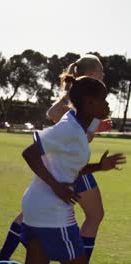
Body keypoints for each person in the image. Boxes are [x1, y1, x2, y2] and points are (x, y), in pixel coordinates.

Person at [0, 54, 111, 263]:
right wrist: (57, 186)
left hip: (53, 187)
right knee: (94, 216)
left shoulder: (78, 114)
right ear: (92, 74)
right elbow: (52, 119)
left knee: (32, 216)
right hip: (60, 188)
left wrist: (99, 165)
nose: (104, 74)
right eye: (101, 71)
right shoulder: (73, 121)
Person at [21, 75, 124, 263]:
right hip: (52, 212)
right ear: (90, 102)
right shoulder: (68, 129)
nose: (108, 104)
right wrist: (57, 187)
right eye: (104, 99)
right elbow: (29, 153)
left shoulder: (76, 125)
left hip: (37, 207)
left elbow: (70, 170)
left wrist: (100, 167)